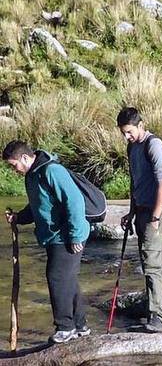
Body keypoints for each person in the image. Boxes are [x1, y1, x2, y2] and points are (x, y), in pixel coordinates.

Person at [2, 140, 91, 343]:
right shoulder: (32, 176)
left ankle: (65, 328)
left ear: (25, 158)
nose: (13, 170)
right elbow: (39, 205)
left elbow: (74, 201)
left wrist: (76, 235)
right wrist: (19, 217)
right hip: (53, 237)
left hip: (66, 235)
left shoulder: (52, 171)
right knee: (67, 280)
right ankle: (81, 326)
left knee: (57, 278)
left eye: (13, 165)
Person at [117, 107, 162, 333]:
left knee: (151, 264)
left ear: (140, 125)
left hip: (155, 213)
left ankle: (157, 316)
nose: (126, 137)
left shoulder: (154, 145)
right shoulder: (132, 147)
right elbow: (135, 182)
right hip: (141, 211)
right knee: (155, 262)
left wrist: (156, 217)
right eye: (123, 133)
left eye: (129, 132)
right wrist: (131, 212)